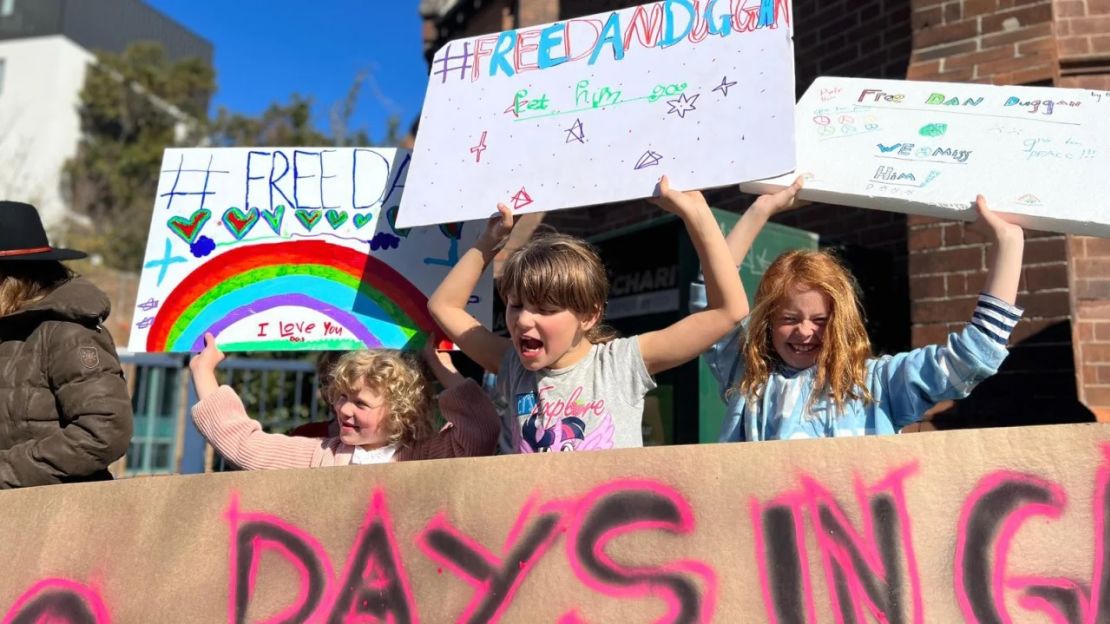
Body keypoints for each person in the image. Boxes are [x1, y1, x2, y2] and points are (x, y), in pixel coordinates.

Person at [427, 176, 748, 453]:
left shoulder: (621, 364)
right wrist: (489, 242)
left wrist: (696, 213)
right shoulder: (511, 364)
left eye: (546, 309)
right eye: (516, 305)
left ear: (589, 315)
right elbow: (444, 306)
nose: (524, 320)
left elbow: (728, 310)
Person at [692, 180, 1026, 441]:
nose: (805, 331)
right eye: (789, 319)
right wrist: (760, 210)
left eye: (820, 320)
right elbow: (713, 301)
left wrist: (1009, 244)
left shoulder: (877, 384)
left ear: (842, 322)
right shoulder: (751, 379)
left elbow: (970, 359)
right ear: (767, 323)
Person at [189, 334, 499, 468]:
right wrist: (203, 371)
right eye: (341, 398)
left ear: (401, 412)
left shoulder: (428, 454)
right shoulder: (319, 454)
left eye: (361, 404)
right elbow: (247, 447)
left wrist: (437, 361)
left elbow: (480, 431)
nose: (344, 409)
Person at [0, 201, 132, 487]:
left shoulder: (67, 333)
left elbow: (104, 431)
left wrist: (7, 472)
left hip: (56, 516)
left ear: (10, 279)